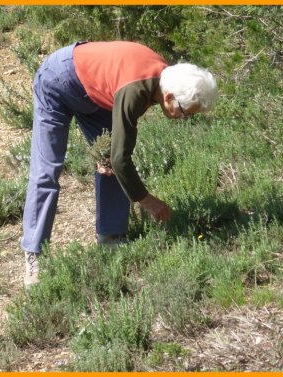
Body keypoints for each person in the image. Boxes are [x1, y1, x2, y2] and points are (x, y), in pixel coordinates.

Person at [21, 41, 218, 288]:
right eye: (185, 112)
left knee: (111, 160)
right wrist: (147, 201)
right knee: (47, 171)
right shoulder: (135, 90)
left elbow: (117, 156)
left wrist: (112, 159)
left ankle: (111, 239)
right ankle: (34, 255)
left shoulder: (168, 79)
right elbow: (121, 159)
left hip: (93, 93)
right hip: (57, 81)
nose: (184, 119)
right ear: (168, 97)